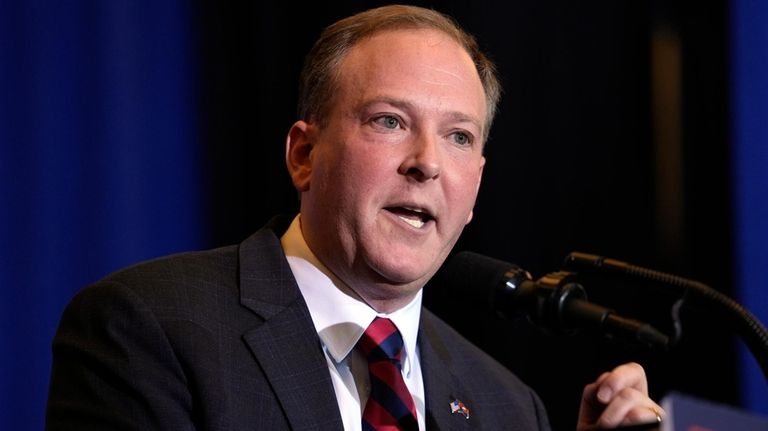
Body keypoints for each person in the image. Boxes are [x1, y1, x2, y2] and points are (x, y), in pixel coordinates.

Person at [46, 5, 664, 430]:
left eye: (457, 136)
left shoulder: (508, 405)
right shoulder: (148, 331)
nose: (426, 164)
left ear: (475, 188)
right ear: (304, 154)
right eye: (389, 122)